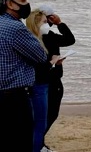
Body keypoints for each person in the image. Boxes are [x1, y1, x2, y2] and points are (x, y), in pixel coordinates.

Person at [0, 0, 48, 151]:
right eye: (23, 0)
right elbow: (40, 56)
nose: (27, 4)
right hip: (13, 98)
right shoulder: (16, 28)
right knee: (19, 142)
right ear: (10, 4)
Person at [26, 9, 64, 152]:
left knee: (40, 121)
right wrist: (52, 62)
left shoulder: (44, 38)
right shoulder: (33, 42)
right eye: (44, 22)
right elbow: (39, 69)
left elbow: (69, 39)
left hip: (44, 82)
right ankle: (37, 147)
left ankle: (39, 145)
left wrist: (59, 24)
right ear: (36, 24)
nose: (47, 24)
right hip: (39, 85)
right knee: (40, 122)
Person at [39, 5, 75, 152]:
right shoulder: (49, 37)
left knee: (41, 114)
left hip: (37, 80)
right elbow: (70, 39)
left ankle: (38, 142)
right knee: (50, 113)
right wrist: (60, 24)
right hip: (51, 79)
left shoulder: (31, 35)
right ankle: (38, 144)